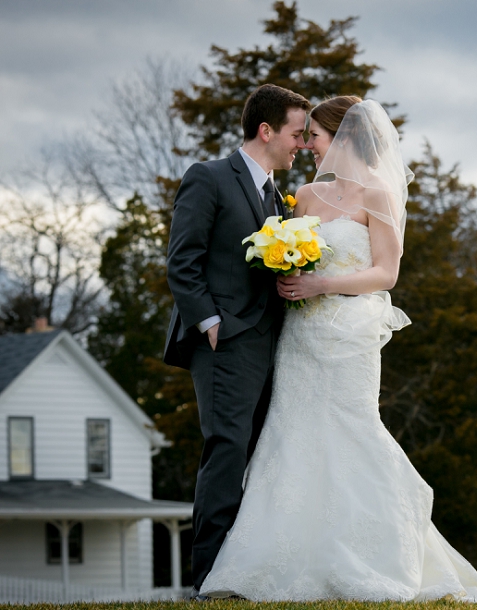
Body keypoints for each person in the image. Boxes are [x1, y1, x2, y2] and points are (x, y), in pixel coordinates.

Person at [198, 96, 477, 602]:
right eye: (305, 136)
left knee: (354, 428)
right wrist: (286, 273)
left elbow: (387, 272)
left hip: (350, 334)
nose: (307, 145)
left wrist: (323, 285)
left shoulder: (379, 194)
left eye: (313, 136)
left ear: (344, 138)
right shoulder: (306, 196)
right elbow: (291, 256)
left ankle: (378, 554)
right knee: (290, 433)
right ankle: (275, 562)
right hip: (302, 336)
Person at [163, 84, 311, 598]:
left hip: (272, 345)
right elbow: (182, 260)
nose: (302, 144)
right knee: (226, 450)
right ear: (266, 131)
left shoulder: (276, 195)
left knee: (259, 454)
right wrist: (209, 322)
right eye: (297, 134)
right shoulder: (208, 178)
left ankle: (243, 572)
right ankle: (209, 580)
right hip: (224, 343)